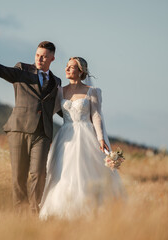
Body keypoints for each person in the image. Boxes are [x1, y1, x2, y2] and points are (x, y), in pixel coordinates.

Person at [0, 41, 62, 213]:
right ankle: (21, 214)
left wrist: (83, 119)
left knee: (39, 173)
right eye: (37, 55)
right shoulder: (23, 70)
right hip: (18, 129)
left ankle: (34, 213)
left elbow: (60, 108)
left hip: (43, 133)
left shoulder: (57, 82)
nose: (40, 58)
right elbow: (4, 71)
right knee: (19, 176)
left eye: (44, 56)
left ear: (52, 58)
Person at [39, 57, 125, 220]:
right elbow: (51, 111)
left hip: (85, 134)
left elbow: (96, 115)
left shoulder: (92, 91)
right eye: (67, 67)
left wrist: (101, 138)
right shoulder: (60, 91)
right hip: (65, 136)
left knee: (84, 172)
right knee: (61, 172)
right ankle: (60, 211)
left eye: (72, 67)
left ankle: (88, 210)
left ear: (81, 71)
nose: (67, 69)